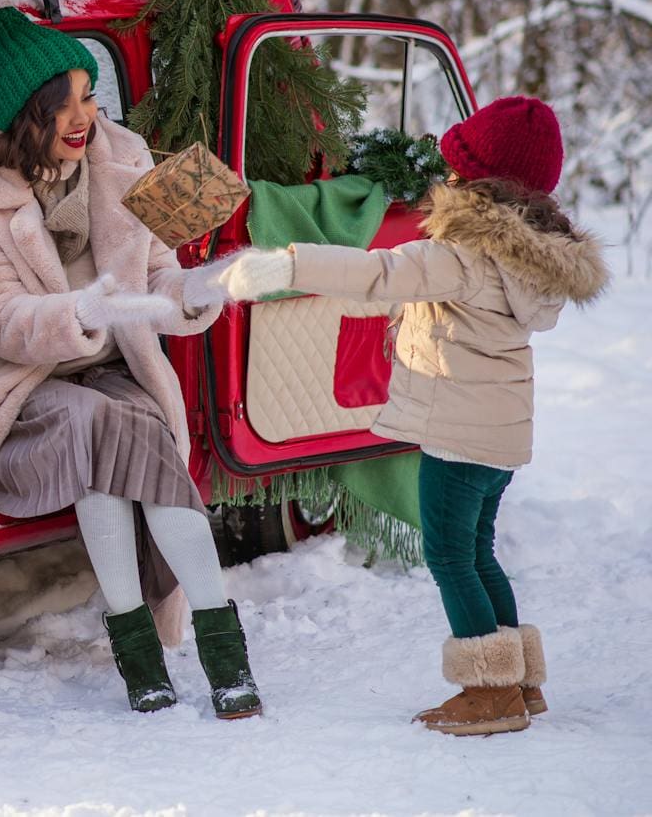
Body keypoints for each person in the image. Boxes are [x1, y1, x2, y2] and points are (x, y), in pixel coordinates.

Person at [0, 7, 262, 719]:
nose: (83, 116)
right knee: (94, 428)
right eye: (62, 101)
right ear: (24, 114)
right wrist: (80, 313)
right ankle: (185, 662)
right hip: (17, 389)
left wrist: (193, 291)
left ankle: (190, 656)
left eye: (88, 93)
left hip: (109, 375)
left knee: (126, 432)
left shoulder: (122, 158)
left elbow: (159, 275)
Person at [220, 96, 608, 736]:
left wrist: (287, 263)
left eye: (456, 169)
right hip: (503, 434)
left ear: (480, 184)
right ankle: (519, 683)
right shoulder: (530, 257)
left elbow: (375, 274)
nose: (445, 178)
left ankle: (489, 695)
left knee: (451, 557)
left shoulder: (462, 254)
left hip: (458, 434)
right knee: (478, 553)